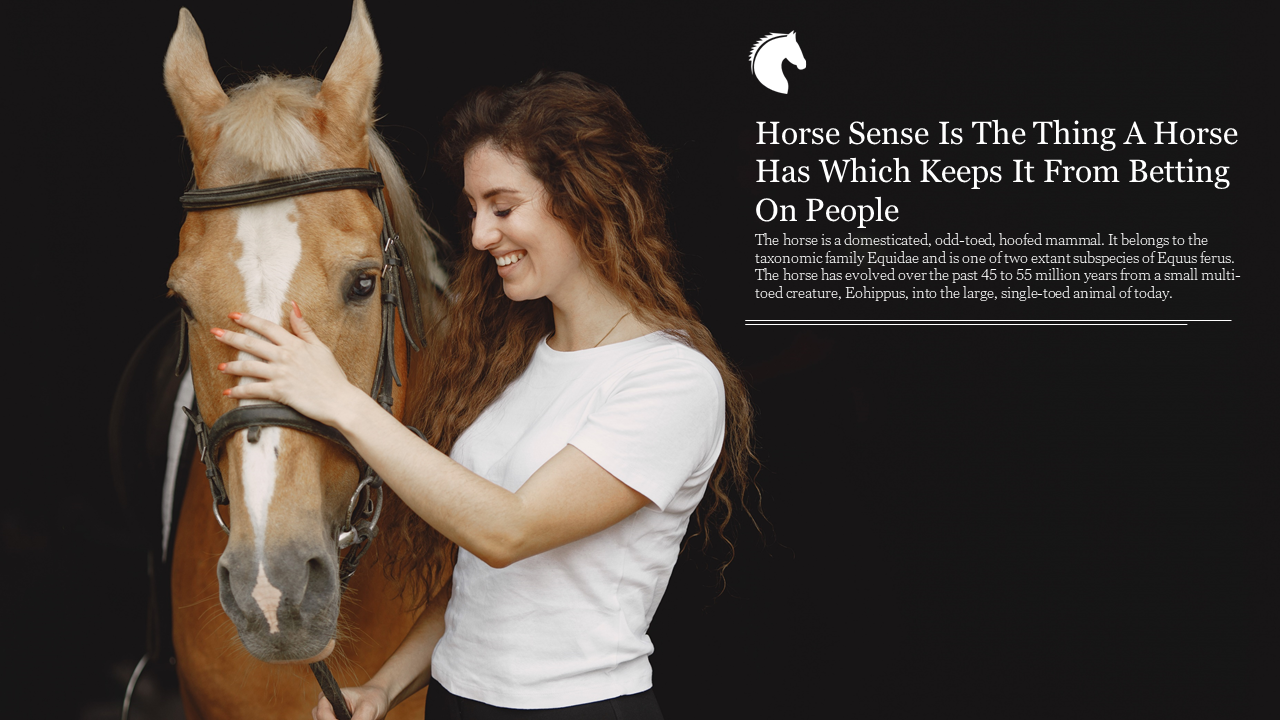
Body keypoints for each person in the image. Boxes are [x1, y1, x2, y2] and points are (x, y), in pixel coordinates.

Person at [212, 71, 755, 719]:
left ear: (586, 197)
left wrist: (339, 400)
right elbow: (483, 585)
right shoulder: (518, 362)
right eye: (473, 210)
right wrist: (385, 687)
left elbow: (508, 531)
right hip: (456, 701)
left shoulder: (672, 381)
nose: (478, 235)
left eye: (502, 207)